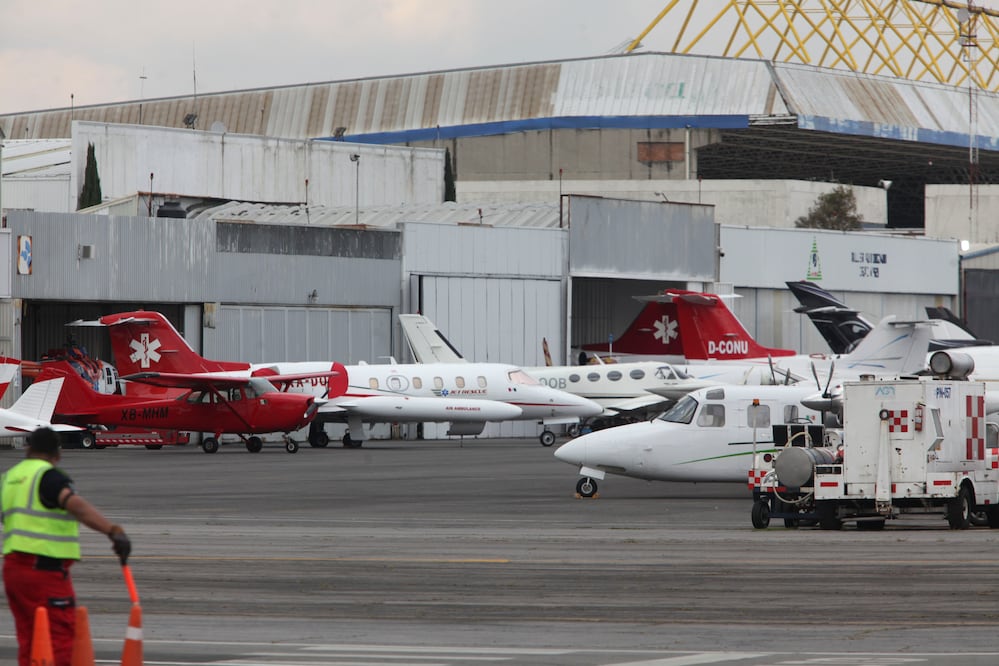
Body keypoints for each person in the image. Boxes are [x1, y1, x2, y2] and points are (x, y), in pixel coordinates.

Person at [1, 427, 131, 666]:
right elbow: (76, 505)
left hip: (13, 571)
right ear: (57, 454)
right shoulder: (49, 477)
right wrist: (112, 531)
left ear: (28, 448)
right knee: (59, 639)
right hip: (44, 571)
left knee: (31, 640)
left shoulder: (9, 478)